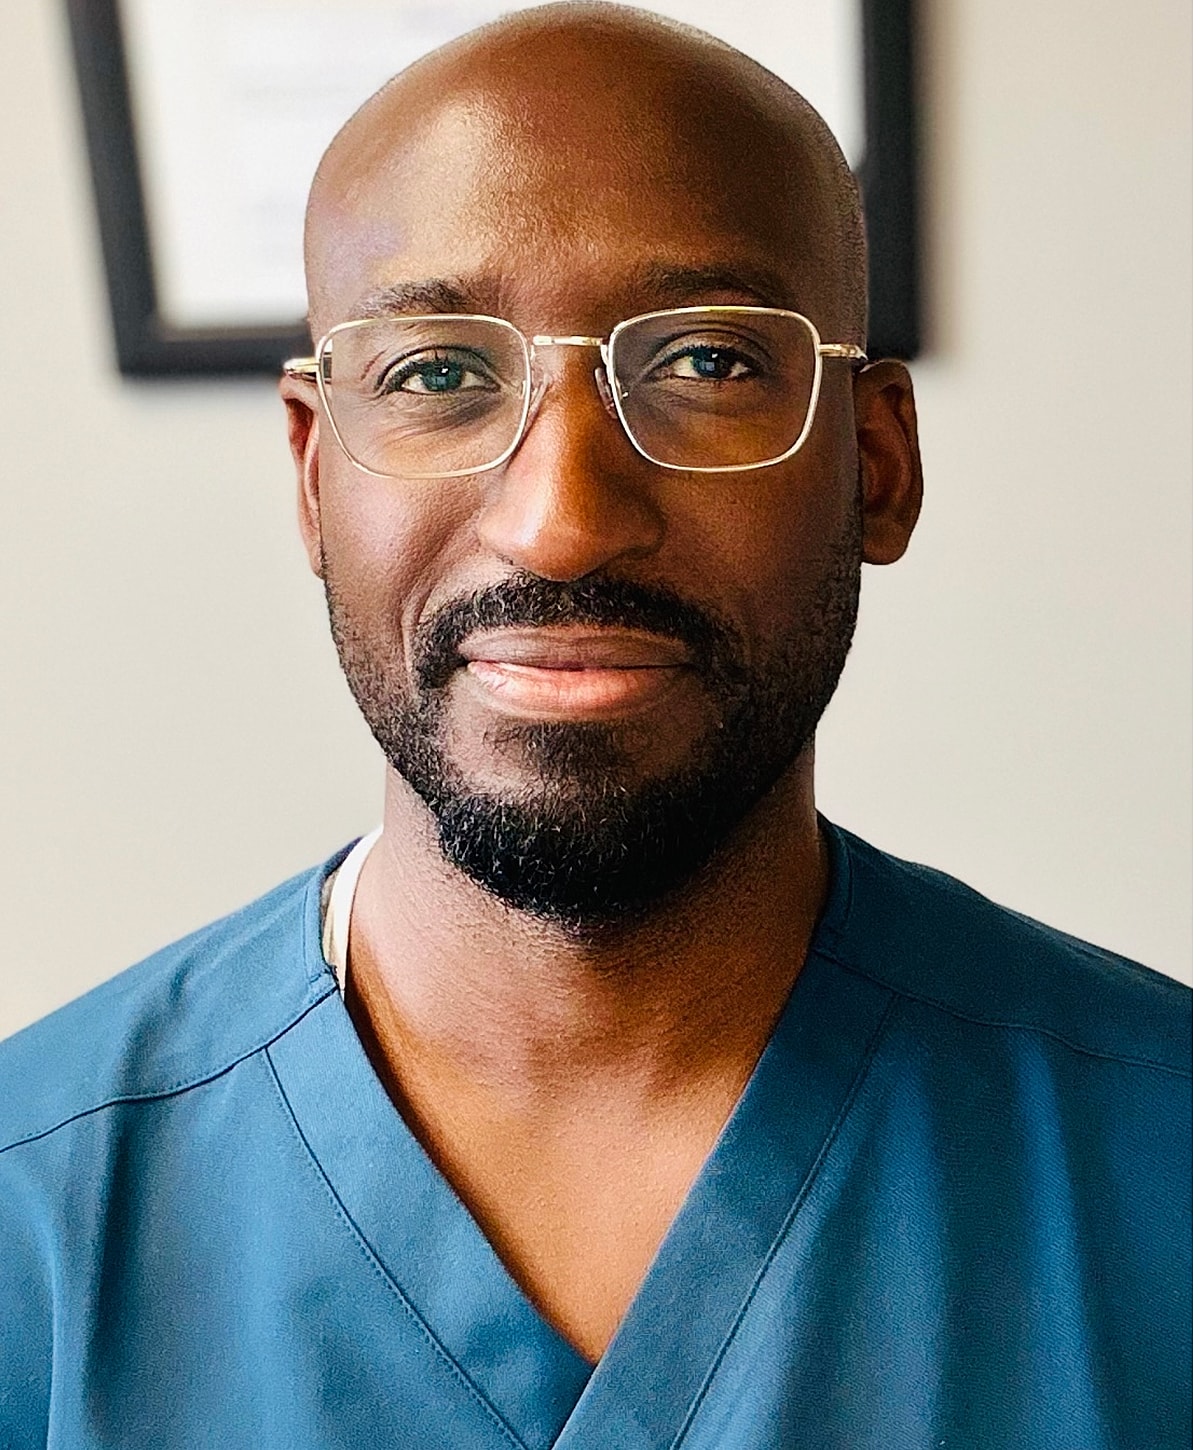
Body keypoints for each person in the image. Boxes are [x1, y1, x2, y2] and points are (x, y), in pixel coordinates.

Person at [0, 4, 1188, 1445]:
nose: (560, 516)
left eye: (704, 364)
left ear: (874, 464)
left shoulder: (1163, 1159)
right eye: (437, 372)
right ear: (315, 481)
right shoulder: (32, 1215)